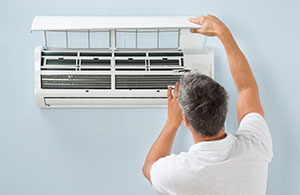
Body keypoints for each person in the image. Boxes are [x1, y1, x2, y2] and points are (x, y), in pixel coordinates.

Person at [142, 15, 273, 195]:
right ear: (225, 109)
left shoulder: (176, 173)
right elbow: (247, 88)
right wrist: (223, 32)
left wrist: (172, 122)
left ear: (186, 120)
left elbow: (149, 168)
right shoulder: (255, 147)